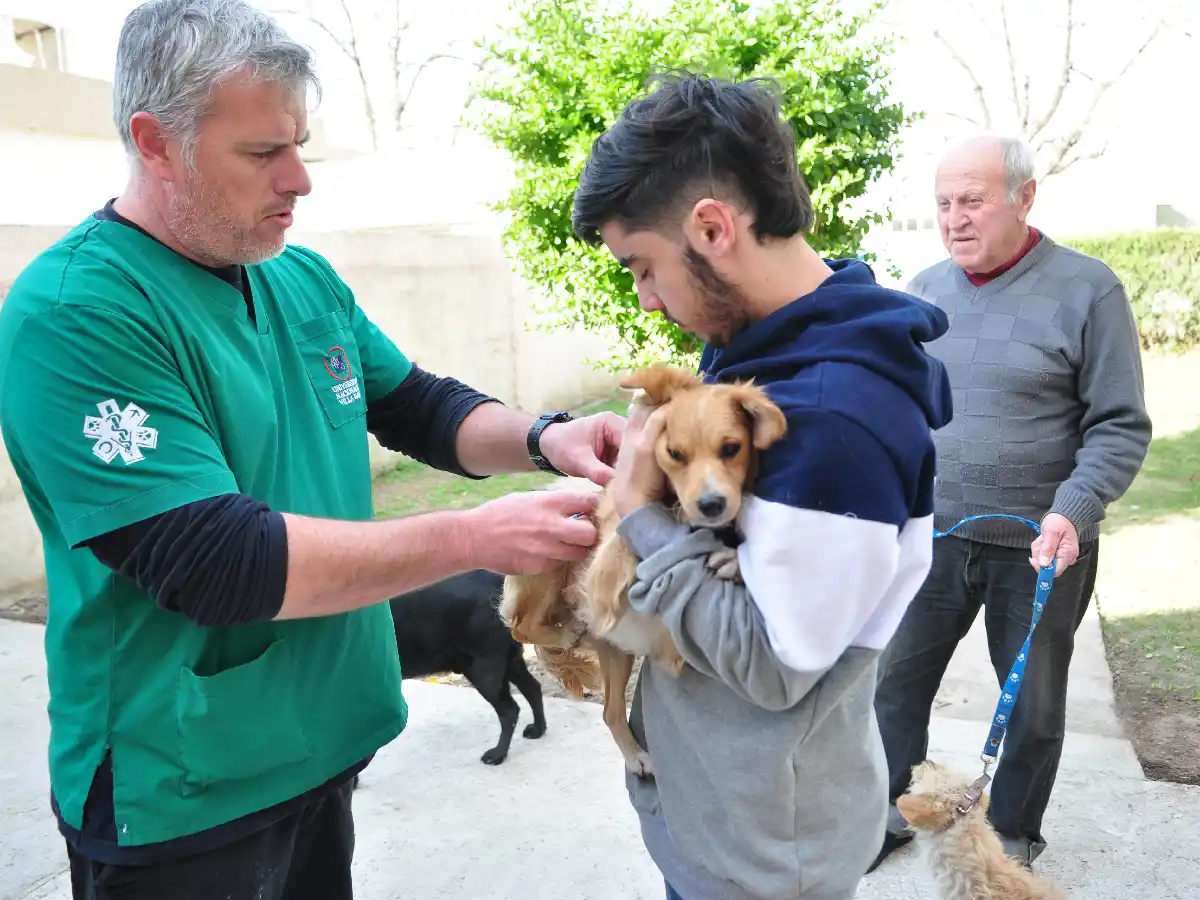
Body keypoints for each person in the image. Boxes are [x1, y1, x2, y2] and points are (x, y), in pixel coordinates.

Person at [0, 2, 623, 898]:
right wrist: (474, 538)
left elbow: (415, 405)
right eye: (262, 152)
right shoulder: (80, 314)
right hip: (180, 789)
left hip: (321, 741)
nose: (299, 179)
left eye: (298, 144)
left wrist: (547, 438)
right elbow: (214, 562)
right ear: (157, 142)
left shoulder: (297, 276)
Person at [573, 71, 954, 900]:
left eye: (643, 266)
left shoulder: (833, 415)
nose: (646, 299)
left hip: (764, 861)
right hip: (722, 819)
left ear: (712, 228)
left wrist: (639, 515)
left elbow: (776, 667)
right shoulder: (758, 355)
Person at [869, 133, 1152, 872]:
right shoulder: (924, 291)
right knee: (893, 684)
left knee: (1033, 705)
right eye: (943, 203)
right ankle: (887, 815)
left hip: (1040, 545)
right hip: (933, 537)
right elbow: (901, 411)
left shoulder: (1089, 290)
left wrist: (1075, 507)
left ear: (1024, 197)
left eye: (972, 200)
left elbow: (1120, 423)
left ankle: (1013, 836)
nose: (954, 218)